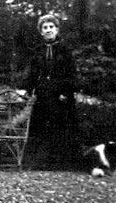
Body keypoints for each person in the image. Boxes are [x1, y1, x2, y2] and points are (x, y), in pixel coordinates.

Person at [21, 14, 80, 169]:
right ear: (41, 31)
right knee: (41, 128)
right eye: (45, 28)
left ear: (57, 29)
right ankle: (42, 163)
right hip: (43, 95)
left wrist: (65, 92)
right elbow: (32, 73)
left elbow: (72, 74)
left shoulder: (65, 50)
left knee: (61, 128)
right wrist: (27, 89)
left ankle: (62, 163)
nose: (48, 30)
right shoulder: (37, 51)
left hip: (61, 96)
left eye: (51, 27)